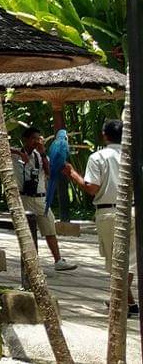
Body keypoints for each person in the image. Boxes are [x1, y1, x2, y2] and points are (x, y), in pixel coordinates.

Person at [64, 119, 138, 315]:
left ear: (104, 135)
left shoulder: (98, 157)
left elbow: (91, 188)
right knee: (128, 259)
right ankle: (129, 303)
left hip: (110, 213)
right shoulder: (133, 156)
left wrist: (72, 173)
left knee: (115, 261)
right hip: (133, 210)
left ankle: (118, 301)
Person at [13, 127, 77, 271]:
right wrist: (19, 153)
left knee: (49, 229)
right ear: (26, 139)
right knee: (27, 233)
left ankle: (58, 260)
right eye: (34, 138)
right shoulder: (15, 154)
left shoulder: (40, 156)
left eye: (39, 139)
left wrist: (42, 154)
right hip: (24, 198)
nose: (37, 141)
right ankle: (31, 263)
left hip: (40, 198)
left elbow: (49, 172)